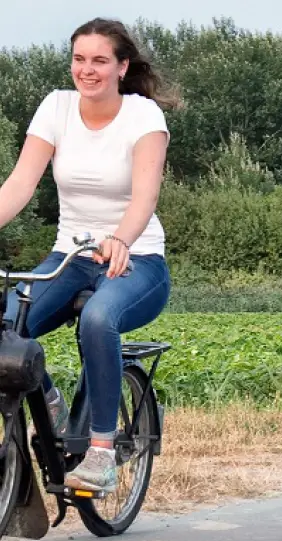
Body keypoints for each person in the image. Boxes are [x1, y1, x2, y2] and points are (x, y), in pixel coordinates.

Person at [0, 18, 174, 493]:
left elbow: (145, 195)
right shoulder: (56, 107)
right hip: (69, 258)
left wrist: (120, 238)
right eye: (79, 59)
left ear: (121, 67)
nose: (87, 70)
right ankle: (50, 399)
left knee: (98, 320)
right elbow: (19, 183)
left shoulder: (142, 116)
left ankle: (100, 452)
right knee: (7, 322)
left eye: (100, 60)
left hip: (136, 260)